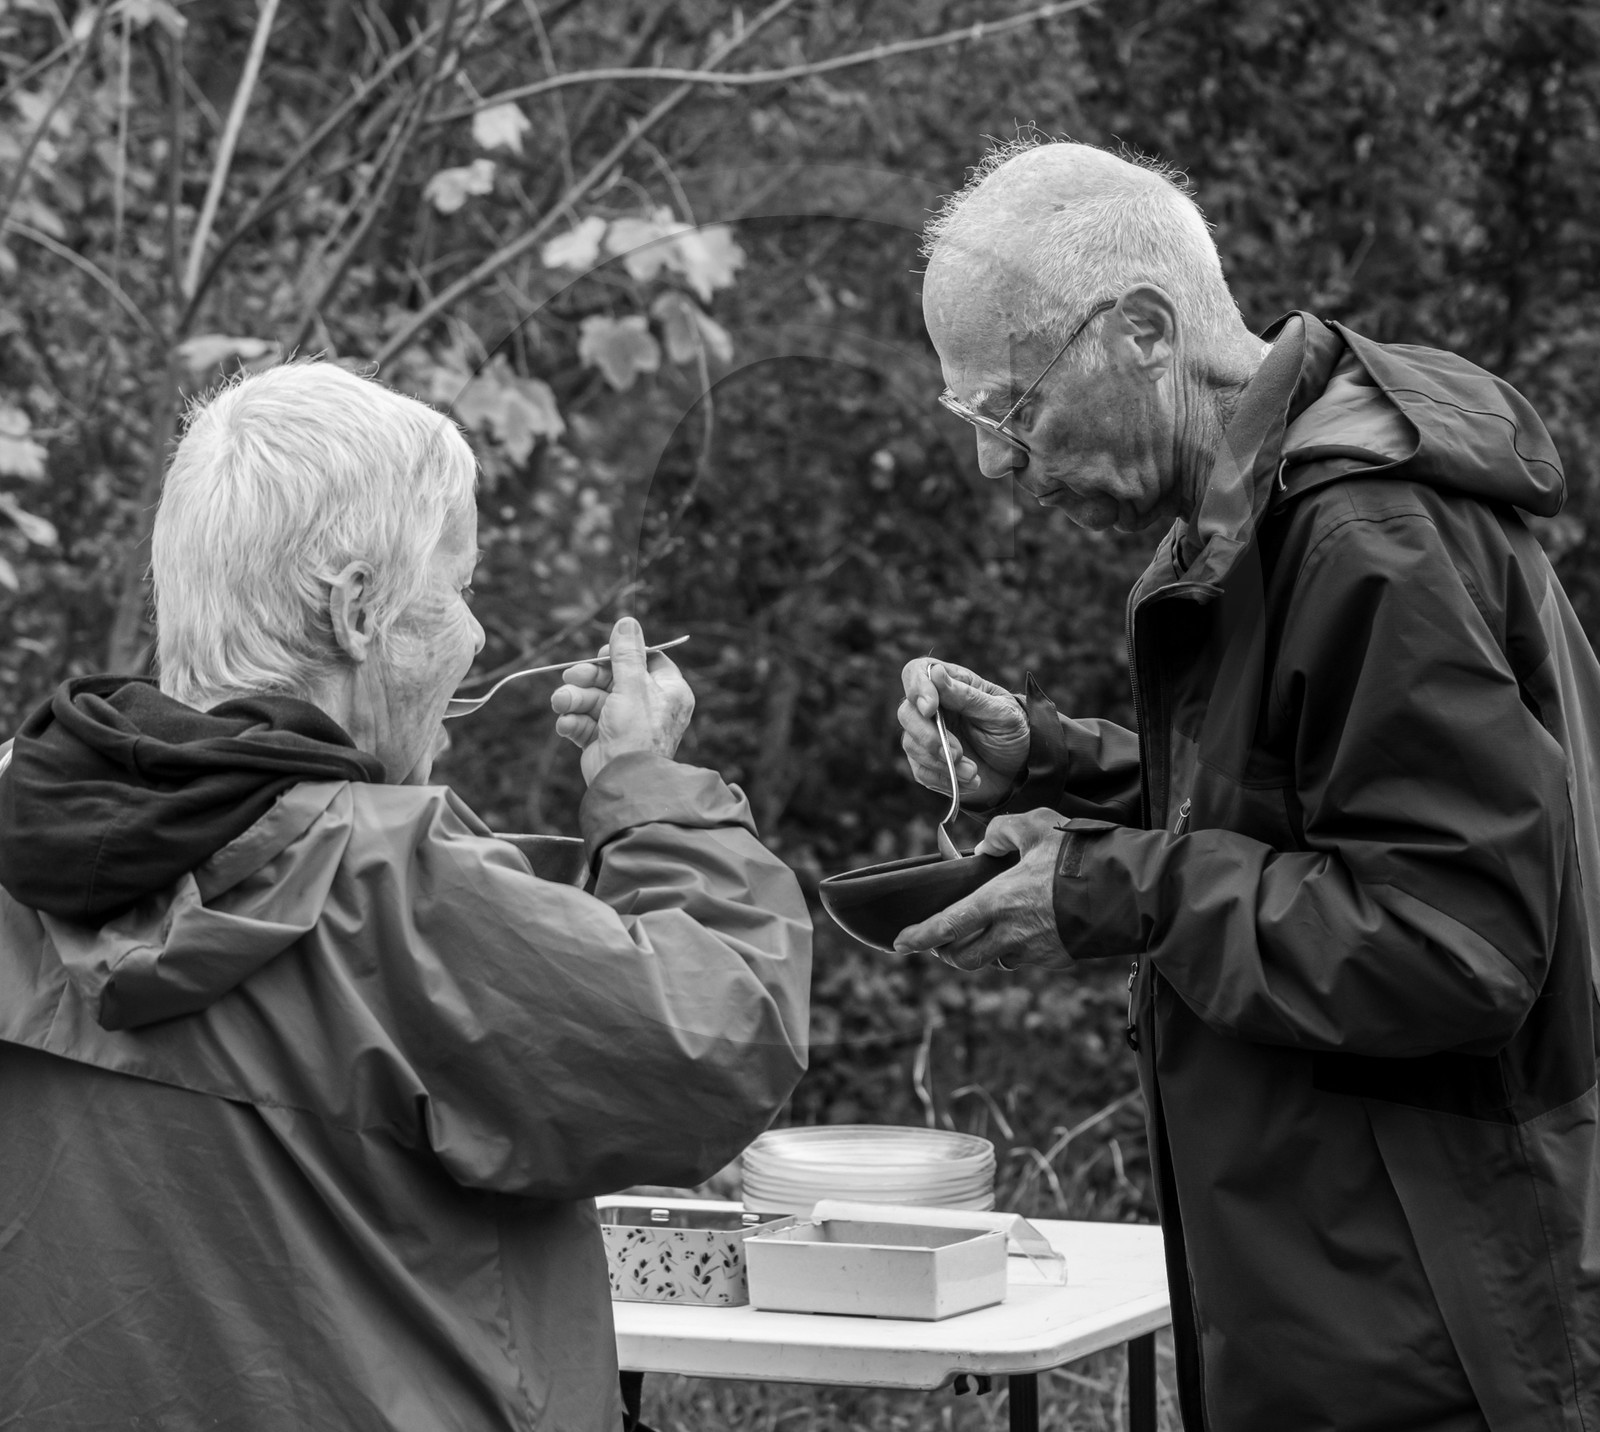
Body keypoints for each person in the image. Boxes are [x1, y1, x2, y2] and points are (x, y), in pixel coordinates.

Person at [895, 140, 1600, 1430]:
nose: (1000, 465)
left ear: (1145, 331)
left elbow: (1455, 941)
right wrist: (1055, 761)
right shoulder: (1253, 515)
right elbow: (1305, 802)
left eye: (1011, 409)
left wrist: (1106, 888)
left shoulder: (1364, 537)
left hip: (1431, 1323)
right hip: (1338, 1287)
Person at [0, 362, 811, 1432]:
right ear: (360, 610)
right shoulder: (390, 885)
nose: (474, 637)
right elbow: (720, 1034)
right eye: (460, 588)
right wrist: (650, 794)